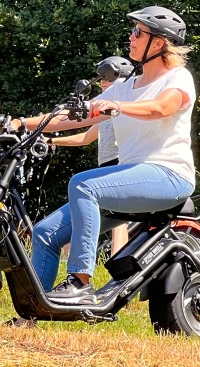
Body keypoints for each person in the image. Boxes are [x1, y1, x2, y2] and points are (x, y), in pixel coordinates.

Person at [16, 6, 196, 303]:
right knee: (45, 232)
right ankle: (35, 311)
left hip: (169, 175)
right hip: (133, 180)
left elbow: (162, 107)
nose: (131, 37)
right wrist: (22, 123)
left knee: (83, 184)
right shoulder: (125, 87)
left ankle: (80, 280)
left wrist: (120, 107)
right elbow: (75, 115)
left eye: (139, 32)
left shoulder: (177, 78)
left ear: (159, 43)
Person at [47, 56, 134, 257]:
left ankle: (117, 263)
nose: (103, 82)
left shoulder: (121, 103)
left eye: (108, 77)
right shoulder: (104, 108)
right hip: (107, 164)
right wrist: (50, 140)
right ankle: (67, 259)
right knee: (81, 210)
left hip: (120, 163)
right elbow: (86, 138)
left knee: (117, 218)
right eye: (101, 78)